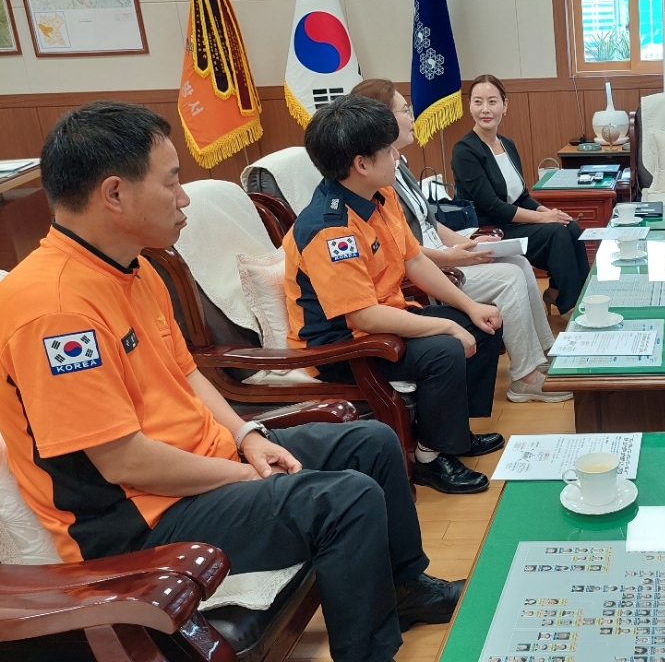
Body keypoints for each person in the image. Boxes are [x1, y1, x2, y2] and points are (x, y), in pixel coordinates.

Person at [0, 101, 461, 662]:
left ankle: (406, 588)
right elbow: (124, 463)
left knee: (372, 443)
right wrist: (242, 474)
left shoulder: (135, 266)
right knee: (345, 500)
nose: (184, 198)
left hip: (199, 463)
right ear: (114, 194)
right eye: (171, 182)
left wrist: (247, 436)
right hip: (139, 516)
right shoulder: (53, 311)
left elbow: (187, 371)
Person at [284, 94, 505, 495]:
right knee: (444, 349)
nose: (398, 156)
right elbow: (363, 317)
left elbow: (414, 260)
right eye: (388, 150)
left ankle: (453, 435)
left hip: (386, 316)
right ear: (361, 164)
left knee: (484, 322)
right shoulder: (330, 229)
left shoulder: (380, 195)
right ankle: (430, 459)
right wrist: (445, 327)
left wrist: (470, 307)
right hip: (340, 346)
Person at [350, 78, 568, 403]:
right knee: (510, 277)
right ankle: (525, 377)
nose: (412, 117)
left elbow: (430, 223)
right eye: (405, 110)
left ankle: (544, 353)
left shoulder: (397, 162)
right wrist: (452, 256)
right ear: (382, 119)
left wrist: (467, 245)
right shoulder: (375, 177)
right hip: (427, 266)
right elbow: (404, 251)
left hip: (439, 251)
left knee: (519, 262)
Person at [451, 74, 590, 316]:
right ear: (470, 106)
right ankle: (570, 307)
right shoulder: (464, 151)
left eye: (492, 101)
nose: (485, 109)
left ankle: (568, 294)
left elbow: (522, 196)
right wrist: (544, 219)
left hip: (513, 222)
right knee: (555, 233)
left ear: (504, 106)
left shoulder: (507, 144)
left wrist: (550, 213)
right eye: (478, 102)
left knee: (570, 226)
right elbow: (493, 207)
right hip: (490, 230)